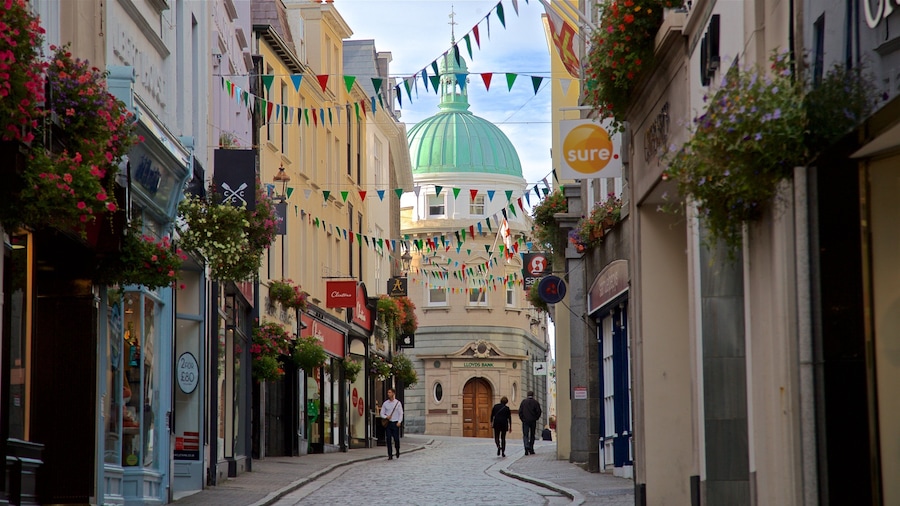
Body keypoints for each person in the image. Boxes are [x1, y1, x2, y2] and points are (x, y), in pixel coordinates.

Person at [380, 388, 403, 460]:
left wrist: (399, 421)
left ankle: (397, 450)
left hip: (395, 423)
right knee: (388, 439)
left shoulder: (398, 403)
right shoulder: (385, 403)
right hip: (388, 423)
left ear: (393, 393)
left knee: (396, 439)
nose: (388, 394)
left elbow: (401, 413)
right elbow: (381, 413)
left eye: (389, 392)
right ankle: (390, 455)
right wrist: (386, 416)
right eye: (388, 392)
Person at [518, 390, 542, 455]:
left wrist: (522, 418)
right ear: (533, 395)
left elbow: (520, 411)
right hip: (533, 421)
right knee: (532, 435)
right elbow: (539, 411)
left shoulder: (523, 402)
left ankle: (526, 447)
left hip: (525, 421)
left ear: (527, 395)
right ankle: (531, 449)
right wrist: (536, 418)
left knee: (525, 434)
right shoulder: (535, 402)